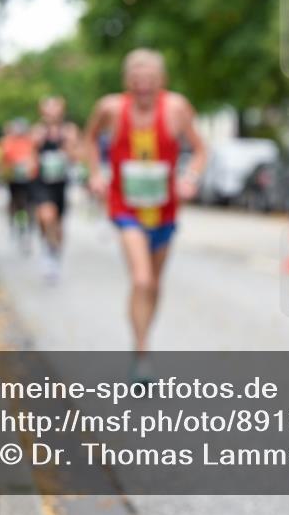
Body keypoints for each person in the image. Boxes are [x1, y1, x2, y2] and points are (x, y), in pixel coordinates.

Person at [83, 48, 207, 382]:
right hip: (125, 207)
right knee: (141, 280)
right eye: (136, 80)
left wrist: (190, 178)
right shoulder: (110, 108)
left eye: (150, 79)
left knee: (154, 284)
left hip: (165, 209)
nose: (143, 86)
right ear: (127, 81)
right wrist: (95, 173)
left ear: (161, 81)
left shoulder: (176, 108)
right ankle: (141, 353)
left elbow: (200, 149)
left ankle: (143, 341)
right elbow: (89, 140)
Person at [30, 97, 79, 283]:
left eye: (55, 108)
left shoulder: (69, 130)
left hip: (61, 181)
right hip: (42, 181)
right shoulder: (37, 131)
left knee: (58, 223)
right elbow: (30, 155)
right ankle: (47, 249)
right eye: (48, 109)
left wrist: (68, 148)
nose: (51, 112)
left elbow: (76, 156)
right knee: (46, 216)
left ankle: (55, 253)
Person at [0, 117, 36, 252]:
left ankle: (28, 227)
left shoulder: (30, 141)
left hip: (29, 178)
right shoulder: (7, 142)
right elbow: (3, 159)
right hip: (13, 179)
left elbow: (34, 157)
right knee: (16, 202)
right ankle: (15, 224)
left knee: (29, 204)